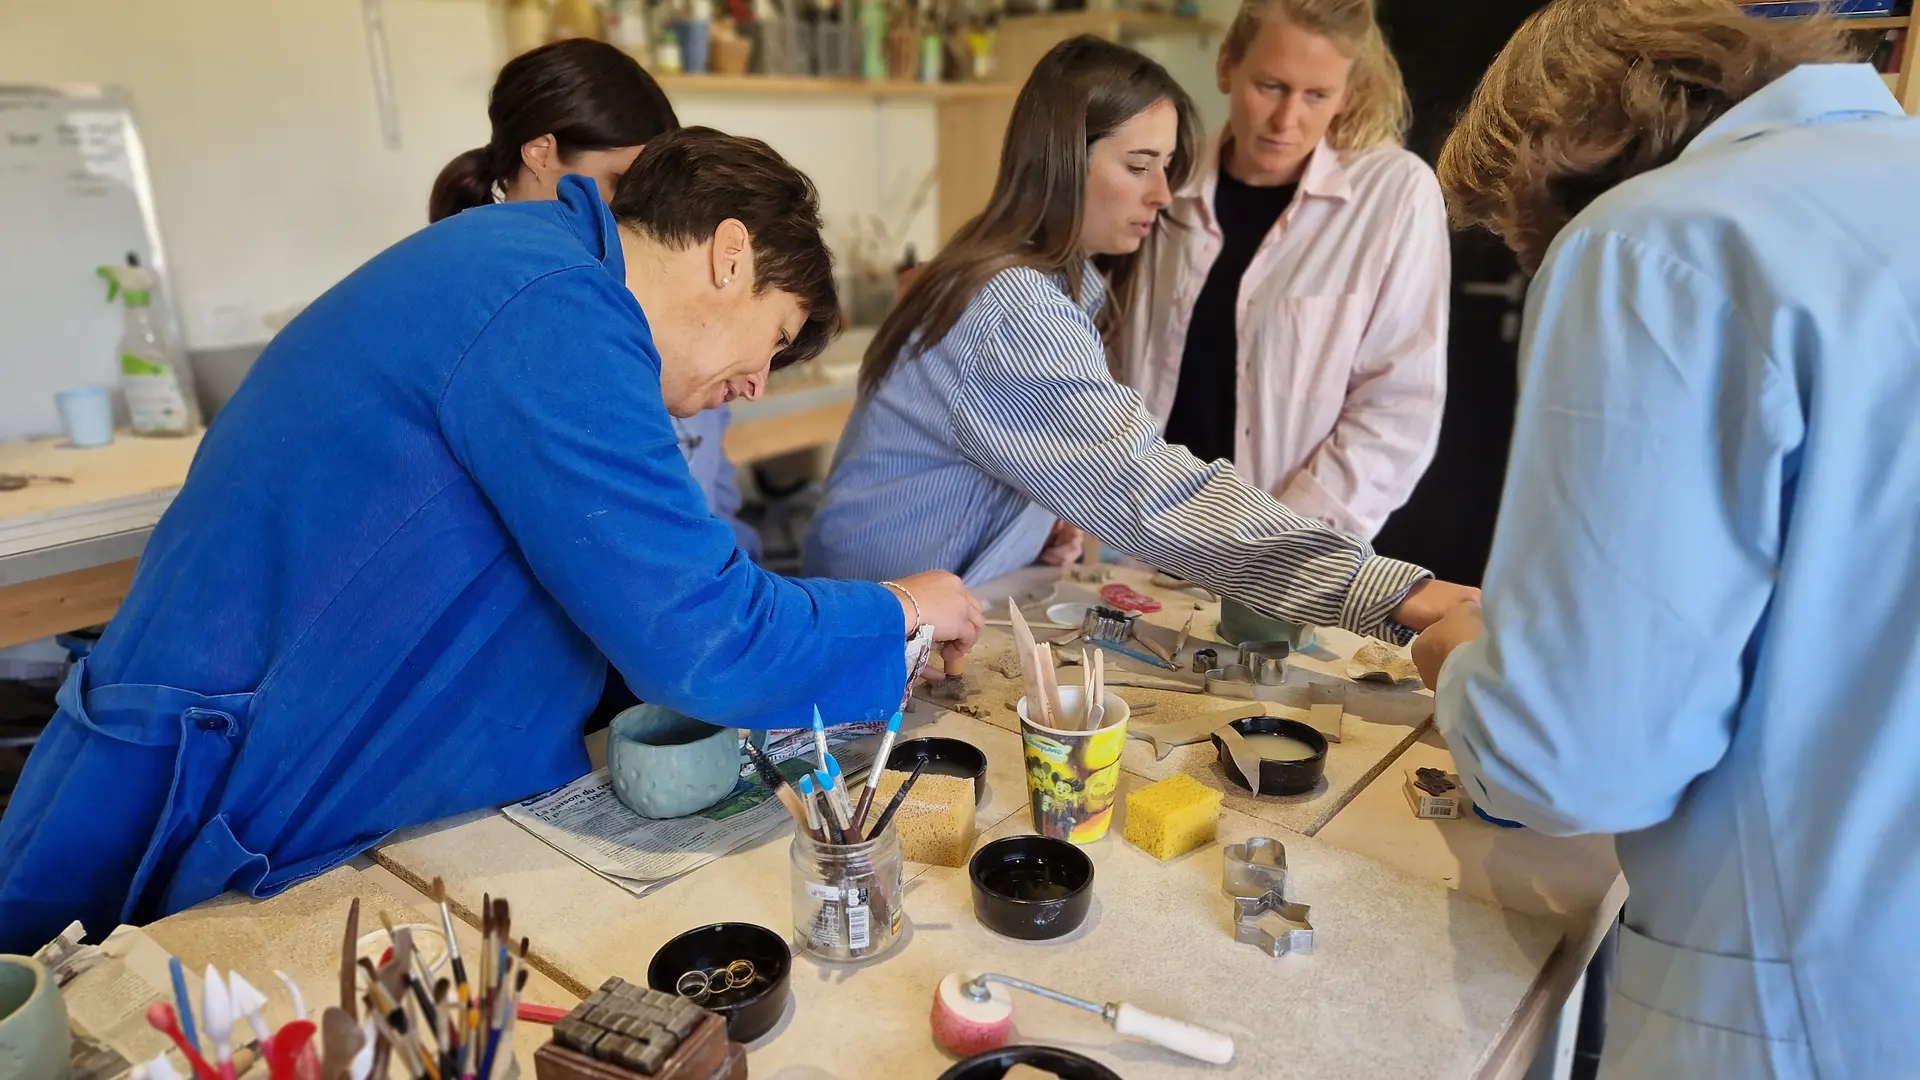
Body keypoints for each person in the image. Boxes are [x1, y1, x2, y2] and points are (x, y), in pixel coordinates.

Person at [0, 128, 980, 953]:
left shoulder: (531, 262)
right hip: (211, 774)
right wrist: (899, 610)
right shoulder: (557, 313)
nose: (758, 384)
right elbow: (701, 630)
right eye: (772, 337)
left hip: (276, 744)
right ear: (730, 256)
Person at [1409, 2, 1918, 1075]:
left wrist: (1462, 664)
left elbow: (1574, 759)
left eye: (1525, 232)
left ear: (1570, 148)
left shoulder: (1656, 238)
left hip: (1795, 1012)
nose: (1535, 257)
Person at [805, 36, 1475, 641]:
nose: (1162, 194)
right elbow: (1148, 488)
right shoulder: (1016, 309)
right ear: (1065, 162)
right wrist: (1382, 587)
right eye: (1139, 165)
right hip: (865, 637)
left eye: (1168, 167)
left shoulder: (1019, 277)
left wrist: (1034, 520)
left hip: (897, 616)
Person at [1119, 0, 1447, 539]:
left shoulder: (1393, 195)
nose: (1286, 120)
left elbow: (1397, 409)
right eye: (1270, 86)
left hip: (1287, 554)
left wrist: (1277, 545)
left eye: (1317, 95)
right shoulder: (1165, 182)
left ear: (1345, 94)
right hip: (1139, 539)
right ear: (1227, 67)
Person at [428, 38, 761, 558]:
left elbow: (715, 505)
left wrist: (750, 587)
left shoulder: (641, 309)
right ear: (540, 153)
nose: (637, 217)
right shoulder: (492, 312)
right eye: (620, 184)